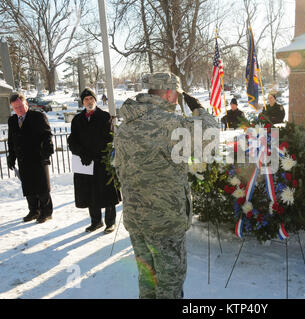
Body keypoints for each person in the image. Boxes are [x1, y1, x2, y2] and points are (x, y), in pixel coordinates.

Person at [114, 72, 219, 299]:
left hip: (137, 219)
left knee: (147, 281)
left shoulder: (125, 125)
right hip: (165, 222)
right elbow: (210, 136)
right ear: (170, 94)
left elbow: (119, 168)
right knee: (169, 286)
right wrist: (199, 109)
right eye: (178, 96)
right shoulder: (171, 125)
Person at [68, 88, 121, 234]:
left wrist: (93, 154)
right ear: (82, 102)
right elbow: (72, 140)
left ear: (95, 100)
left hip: (101, 161)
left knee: (107, 194)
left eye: (91, 99)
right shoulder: (78, 120)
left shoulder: (104, 117)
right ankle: (96, 221)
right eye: (86, 99)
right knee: (90, 193)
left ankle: (110, 222)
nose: (89, 102)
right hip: (85, 163)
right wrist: (81, 153)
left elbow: (109, 138)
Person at [7, 93, 54, 223]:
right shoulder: (12, 120)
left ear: (26, 103)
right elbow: (11, 140)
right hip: (23, 159)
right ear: (12, 107)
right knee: (28, 187)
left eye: (21, 106)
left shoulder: (38, 116)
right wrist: (11, 156)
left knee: (42, 186)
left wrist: (47, 152)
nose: (19, 109)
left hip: (38, 157)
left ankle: (46, 211)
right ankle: (34, 211)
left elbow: (47, 135)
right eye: (15, 107)